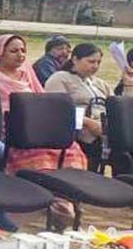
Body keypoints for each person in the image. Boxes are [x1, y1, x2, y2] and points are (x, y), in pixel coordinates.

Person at [0, 34, 88, 229]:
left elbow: (41, 99)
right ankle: (47, 201)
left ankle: (62, 197)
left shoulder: (26, 72)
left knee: (69, 148)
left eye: (23, 50)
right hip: (6, 130)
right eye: (14, 51)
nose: (20, 55)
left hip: (35, 127)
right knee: (37, 153)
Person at [45, 43, 125, 173]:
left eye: (98, 62)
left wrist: (128, 84)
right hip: (78, 135)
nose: (95, 66)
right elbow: (58, 109)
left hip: (106, 134)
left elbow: (118, 107)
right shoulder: (60, 78)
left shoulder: (99, 83)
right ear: (75, 59)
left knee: (125, 154)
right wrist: (90, 123)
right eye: (91, 61)